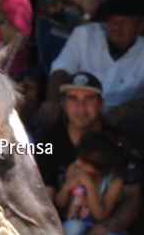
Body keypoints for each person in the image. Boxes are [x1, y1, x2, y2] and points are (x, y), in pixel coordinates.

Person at [36, 72, 142, 235]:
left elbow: (133, 196)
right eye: (73, 99)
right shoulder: (49, 141)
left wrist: (104, 228)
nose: (81, 107)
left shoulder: (118, 143)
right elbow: (46, 195)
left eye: (89, 99)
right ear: (64, 105)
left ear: (101, 105)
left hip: (107, 228)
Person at [39, 0, 144, 150]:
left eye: (124, 22)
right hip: (75, 112)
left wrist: (126, 108)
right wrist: (52, 100)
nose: (116, 27)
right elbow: (60, 70)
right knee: (43, 116)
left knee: (139, 119)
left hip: (117, 122)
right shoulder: (85, 35)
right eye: (113, 21)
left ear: (140, 26)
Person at [56, 131, 124, 235]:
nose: (78, 163)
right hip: (73, 224)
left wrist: (90, 187)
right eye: (78, 157)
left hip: (98, 228)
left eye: (85, 162)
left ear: (100, 168)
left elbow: (100, 216)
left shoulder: (114, 181)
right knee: (74, 227)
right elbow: (59, 204)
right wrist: (65, 188)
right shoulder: (74, 168)